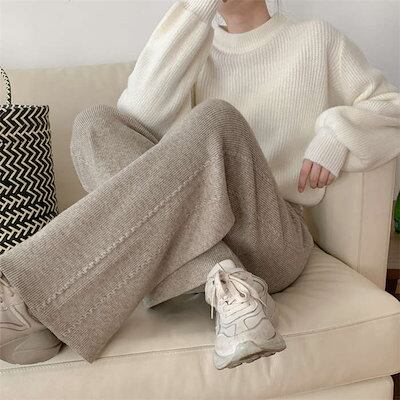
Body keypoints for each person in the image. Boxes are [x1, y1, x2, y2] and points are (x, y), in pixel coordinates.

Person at [0, 0, 399, 371]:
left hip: (273, 236)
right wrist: (195, 11)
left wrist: (338, 134)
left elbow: (390, 105)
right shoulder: (195, 43)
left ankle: (26, 290)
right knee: (95, 125)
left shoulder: (316, 39)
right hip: (198, 230)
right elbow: (135, 116)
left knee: (218, 118)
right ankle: (232, 290)